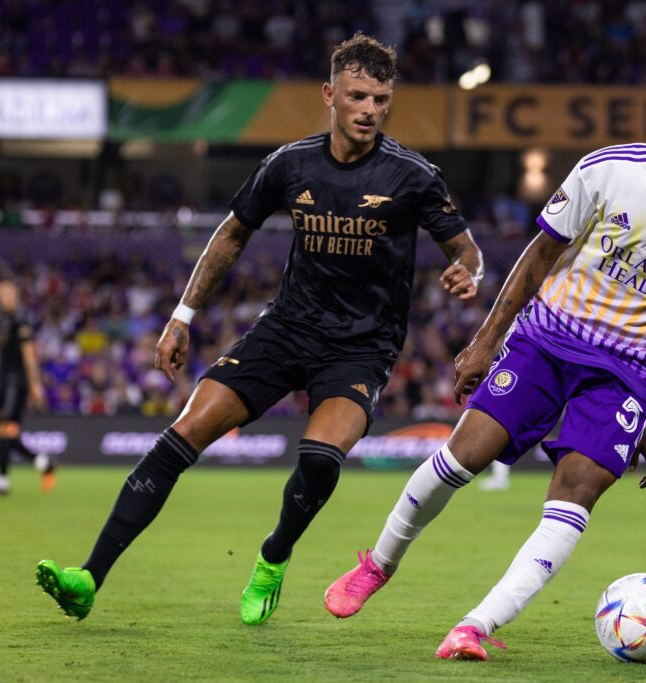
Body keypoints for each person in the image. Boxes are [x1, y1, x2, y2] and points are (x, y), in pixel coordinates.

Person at [324, 58, 646, 660]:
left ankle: (475, 627)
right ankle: (378, 563)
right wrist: (486, 339)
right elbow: (538, 257)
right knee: (463, 457)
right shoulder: (610, 171)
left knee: (574, 492)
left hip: (629, 373)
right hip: (547, 341)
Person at [35, 33, 483, 623]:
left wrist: (465, 272)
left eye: (380, 99)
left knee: (320, 458)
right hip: (286, 330)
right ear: (330, 95)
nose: (370, 110)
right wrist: (181, 317)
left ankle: (273, 556)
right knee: (181, 435)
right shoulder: (288, 164)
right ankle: (88, 577)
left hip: (360, 347)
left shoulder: (412, 175)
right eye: (357, 96)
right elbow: (231, 236)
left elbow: (466, 248)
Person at [0, 277, 55, 498]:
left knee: (5, 432)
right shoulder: (3, 320)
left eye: (6, 292)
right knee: (4, 434)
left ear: (15, 294)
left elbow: (29, 355)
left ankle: (3, 483)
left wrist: (35, 385)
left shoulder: (21, 319)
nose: (2, 296)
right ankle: (43, 464)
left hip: (16, 383)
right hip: (3, 382)